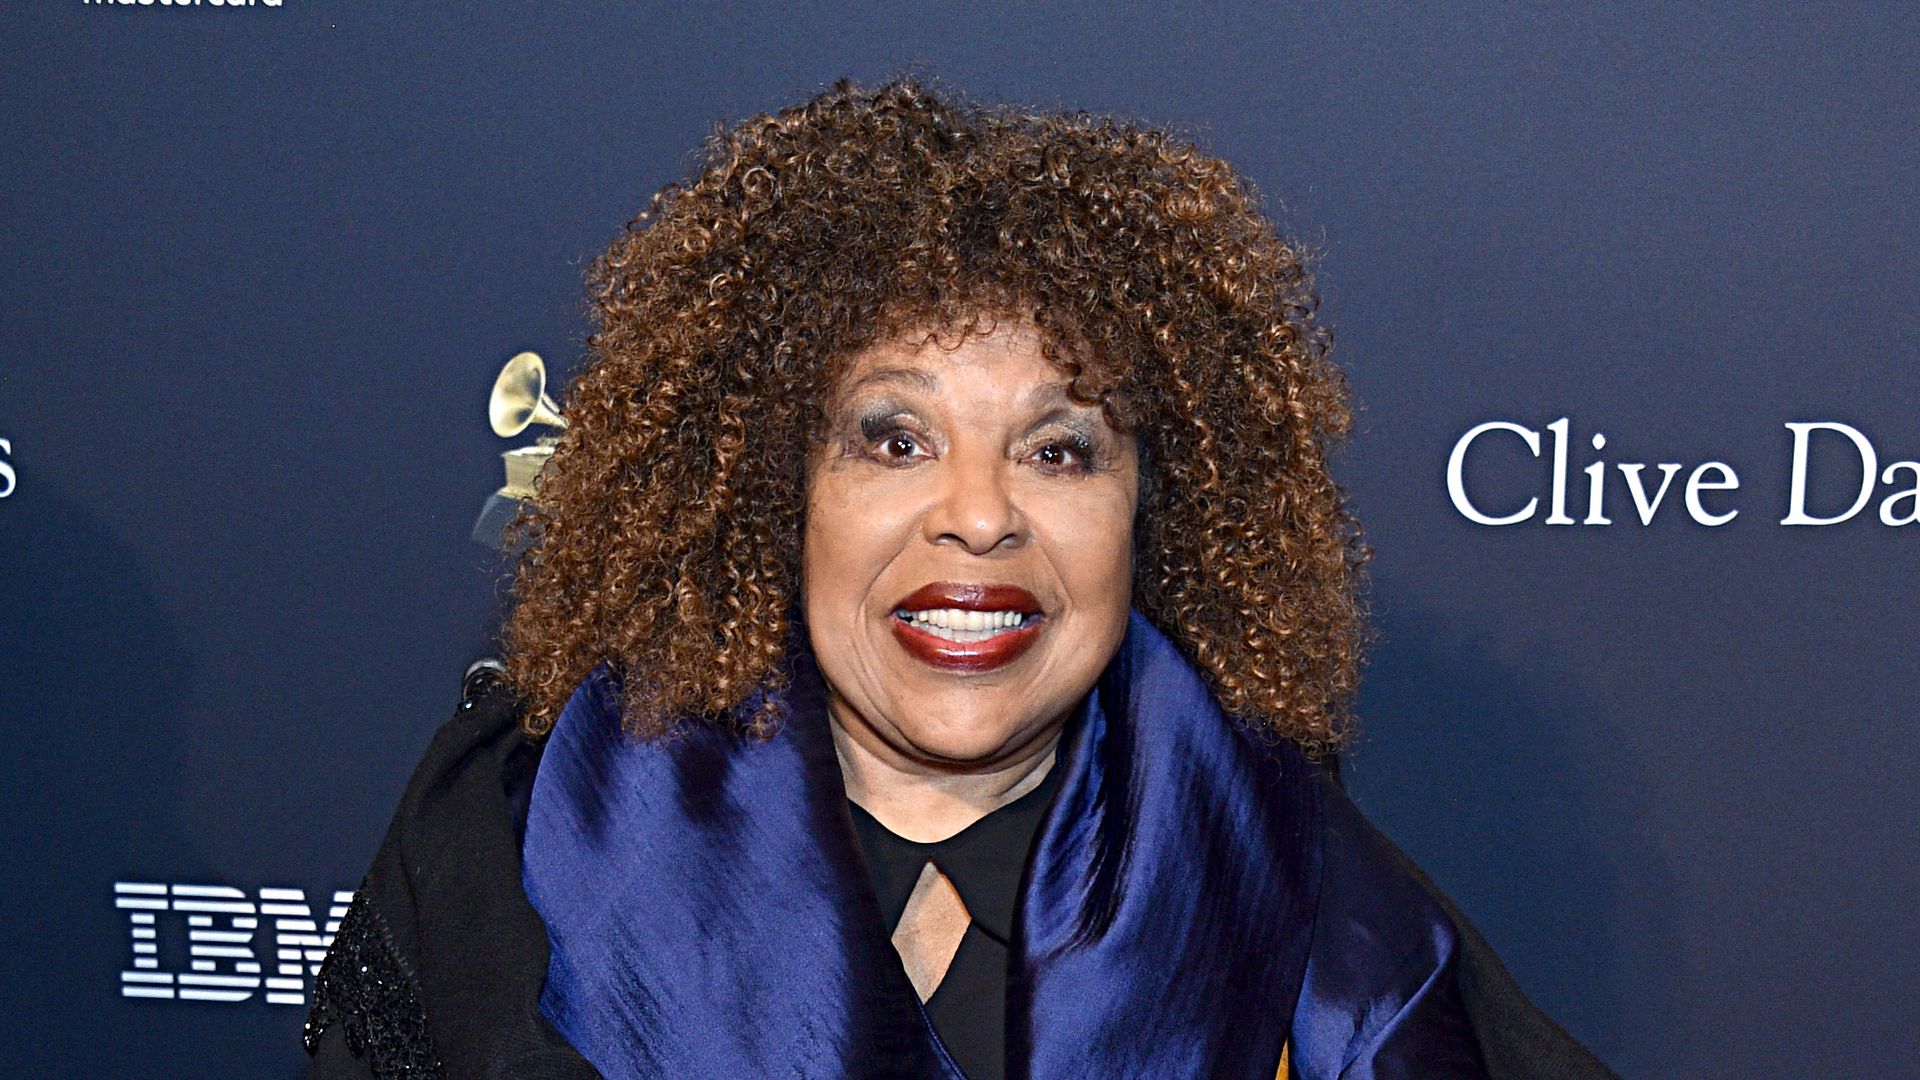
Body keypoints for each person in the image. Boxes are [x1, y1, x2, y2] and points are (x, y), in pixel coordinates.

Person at [303, 78, 1618, 1079]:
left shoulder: (1283, 868)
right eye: (895, 439)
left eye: (1060, 449)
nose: (980, 516)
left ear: (1145, 513)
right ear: (778, 492)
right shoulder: (513, 840)